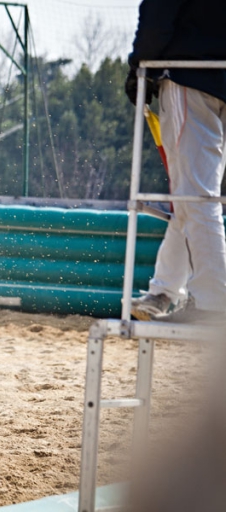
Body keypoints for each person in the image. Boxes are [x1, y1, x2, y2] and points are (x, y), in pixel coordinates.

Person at [124, 0, 226, 324]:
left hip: (192, 77)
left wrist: (141, 66)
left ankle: (212, 303)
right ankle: (164, 291)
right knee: (192, 195)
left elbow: (158, 15)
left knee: (195, 197)